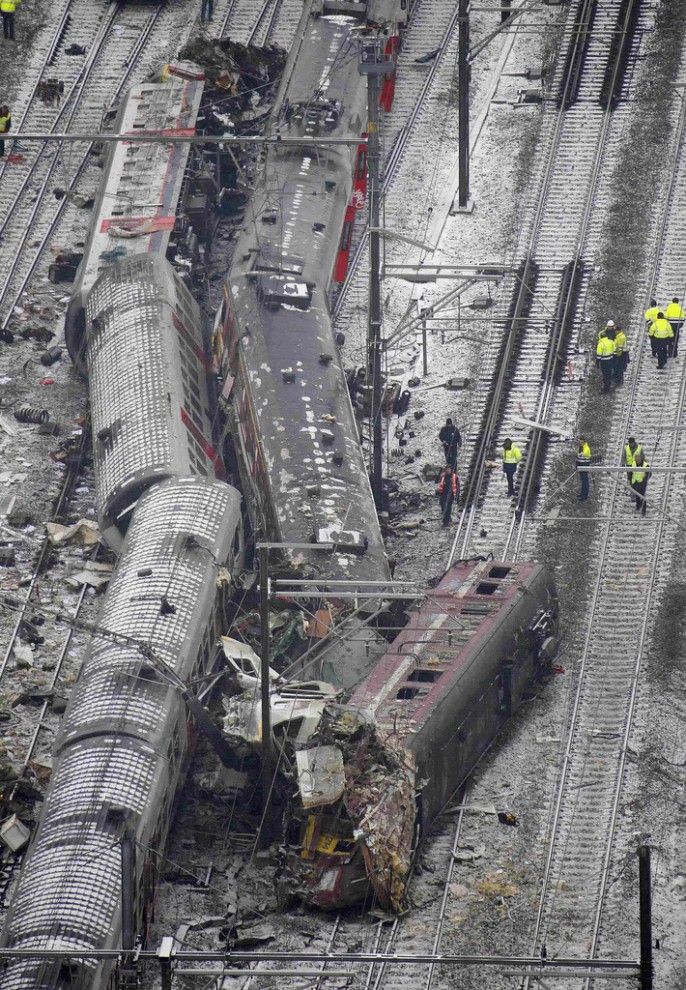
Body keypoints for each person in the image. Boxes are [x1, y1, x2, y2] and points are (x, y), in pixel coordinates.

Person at [577, 437, 592, 501]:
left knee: (585, 482)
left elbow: (582, 455)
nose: (580, 443)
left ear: (583, 441)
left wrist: (580, 454)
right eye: (579, 442)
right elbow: (578, 457)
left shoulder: (586, 448)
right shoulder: (581, 447)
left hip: (584, 466)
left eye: (581, 442)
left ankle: (584, 496)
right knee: (583, 481)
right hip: (581, 466)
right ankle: (582, 494)